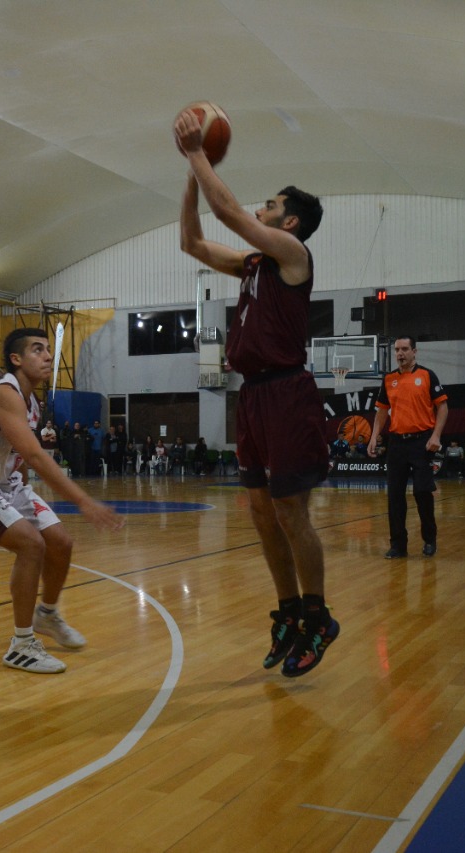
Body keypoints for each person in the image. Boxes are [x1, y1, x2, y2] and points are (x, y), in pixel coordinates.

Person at [175, 107, 336, 677]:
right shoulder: (251, 267)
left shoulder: (295, 257)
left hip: (289, 393)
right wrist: (193, 174)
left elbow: (228, 212)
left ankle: (318, 617)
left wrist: (199, 152)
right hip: (252, 398)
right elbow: (192, 240)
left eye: (269, 207)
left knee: (292, 513)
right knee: (262, 515)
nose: (260, 210)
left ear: (288, 224)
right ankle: (290, 612)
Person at [0, 328, 123, 674]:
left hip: (4, 483)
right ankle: (21, 645)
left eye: (49, 350)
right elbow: (35, 456)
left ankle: (46, 614)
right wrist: (83, 500)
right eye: (38, 350)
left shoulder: (30, 401)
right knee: (31, 544)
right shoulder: (5, 393)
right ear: (16, 359)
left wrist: (18, 487)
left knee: (61, 543)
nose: (48, 356)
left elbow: (16, 458)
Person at [367, 336, 449, 558]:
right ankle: (398, 545)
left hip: (422, 442)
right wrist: (374, 436)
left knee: (423, 493)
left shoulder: (427, 375)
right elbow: (382, 411)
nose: (400, 353)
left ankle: (429, 539)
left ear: (415, 351)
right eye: (397, 350)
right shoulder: (389, 379)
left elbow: (442, 407)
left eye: (404, 349)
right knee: (394, 496)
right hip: (397, 444)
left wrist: (436, 436)